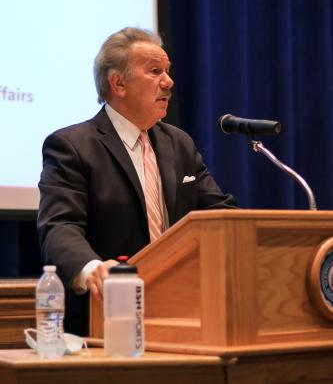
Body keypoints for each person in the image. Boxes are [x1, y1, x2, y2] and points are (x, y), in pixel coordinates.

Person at [37, 27, 236, 335]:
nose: (168, 82)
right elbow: (59, 226)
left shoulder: (179, 143)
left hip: (184, 313)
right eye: (155, 71)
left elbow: (220, 215)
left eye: (167, 71)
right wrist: (92, 269)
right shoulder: (73, 146)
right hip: (106, 318)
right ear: (118, 83)